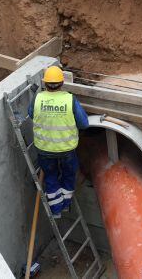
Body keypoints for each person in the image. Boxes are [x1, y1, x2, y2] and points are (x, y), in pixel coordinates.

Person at [28, 66, 89, 217]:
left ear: (45, 83)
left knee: (50, 177)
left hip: (44, 149)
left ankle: (56, 210)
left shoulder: (38, 98)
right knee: (69, 175)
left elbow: (31, 114)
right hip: (66, 150)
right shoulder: (70, 99)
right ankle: (65, 205)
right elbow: (84, 123)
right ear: (62, 83)